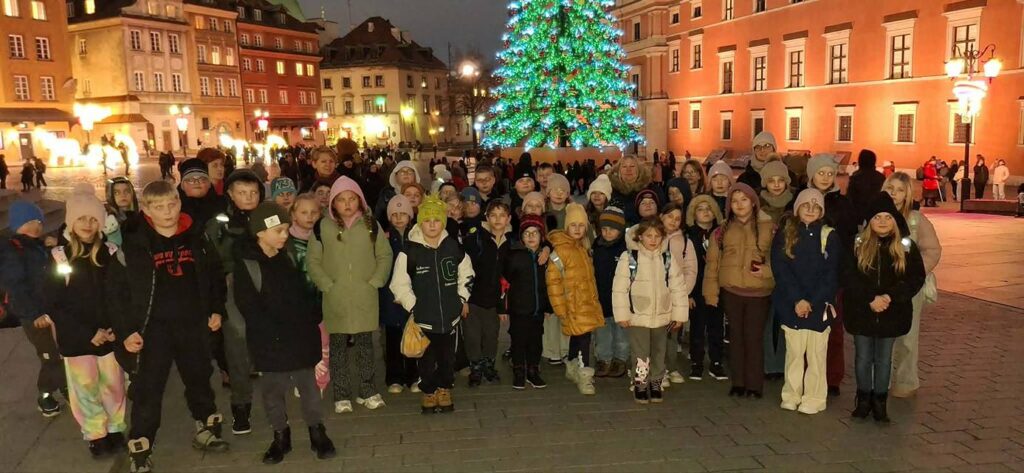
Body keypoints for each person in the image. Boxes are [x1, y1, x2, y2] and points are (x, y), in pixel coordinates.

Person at [108, 180, 228, 473]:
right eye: (159, 207)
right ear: (147, 210)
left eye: (172, 204)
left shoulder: (196, 236)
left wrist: (215, 308)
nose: (167, 212)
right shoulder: (133, 242)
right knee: (148, 387)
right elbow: (116, 293)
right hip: (152, 329)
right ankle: (141, 443)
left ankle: (206, 424)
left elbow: (214, 275)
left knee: (199, 377)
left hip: (192, 323)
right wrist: (126, 331)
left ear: (179, 203)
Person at [232, 202, 336, 464]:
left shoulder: (286, 256)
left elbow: (300, 294)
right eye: (278, 230)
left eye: (286, 229)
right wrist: (273, 332)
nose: (284, 235)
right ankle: (280, 435)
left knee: (309, 388)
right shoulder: (247, 264)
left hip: (299, 338)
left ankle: (317, 431)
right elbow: (248, 307)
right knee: (273, 392)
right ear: (260, 232)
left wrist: (312, 317)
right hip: (269, 342)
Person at [46, 193, 128, 456]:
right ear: (71, 222)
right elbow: (55, 302)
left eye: (93, 219)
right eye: (81, 218)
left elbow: (121, 293)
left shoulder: (110, 253)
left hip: (110, 335)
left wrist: (116, 327)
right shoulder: (60, 257)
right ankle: (95, 433)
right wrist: (88, 332)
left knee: (114, 384)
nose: (88, 224)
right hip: (78, 338)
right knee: (85, 387)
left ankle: (115, 427)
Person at [307, 176, 393, 414]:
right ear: (333, 203)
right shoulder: (322, 227)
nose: (347, 204)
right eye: (341, 199)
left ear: (360, 200)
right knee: (337, 348)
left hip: (365, 295)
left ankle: (368, 390)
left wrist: (376, 281)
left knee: (366, 345)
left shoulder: (371, 225)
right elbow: (313, 260)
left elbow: (384, 255)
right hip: (336, 297)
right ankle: (341, 394)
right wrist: (326, 284)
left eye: (352, 199)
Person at [845, 193, 925, 424]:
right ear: (869, 221)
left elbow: (914, 278)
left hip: (892, 312)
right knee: (863, 357)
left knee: (883, 359)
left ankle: (880, 401)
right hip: (862, 311)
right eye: (877, 217)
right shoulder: (857, 244)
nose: (882, 222)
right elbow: (849, 276)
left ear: (895, 221)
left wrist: (891, 296)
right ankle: (863, 399)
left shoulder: (906, 247)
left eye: (887, 217)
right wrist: (870, 298)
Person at [389, 195, 474, 414]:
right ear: (420, 223)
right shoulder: (409, 251)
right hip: (423, 317)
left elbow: (467, 274)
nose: (432, 225)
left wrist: (461, 299)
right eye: (427, 221)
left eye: (437, 220)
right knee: (426, 357)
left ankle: (444, 388)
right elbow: (399, 284)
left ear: (443, 222)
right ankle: (428, 389)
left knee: (447, 357)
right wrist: (413, 306)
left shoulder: (453, 247)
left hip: (450, 316)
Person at [770, 189, 841, 415]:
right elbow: (781, 269)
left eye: (816, 207)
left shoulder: (829, 236)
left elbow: (831, 274)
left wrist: (813, 301)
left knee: (816, 356)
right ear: (797, 208)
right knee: (794, 354)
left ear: (821, 211)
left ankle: (815, 397)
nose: (810, 210)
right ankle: (791, 394)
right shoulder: (785, 235)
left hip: (818, 306)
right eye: (805, 206)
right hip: (793, 305)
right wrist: (797, 299)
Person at [205, 169, 265, 435]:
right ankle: (241, 405)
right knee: (237, 344)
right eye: (242, 192)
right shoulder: (220, 223)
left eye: (253, 192)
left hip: (265, 285)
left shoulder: (269, 215)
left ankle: (276, 404)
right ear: (230, 193)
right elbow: (211, 259)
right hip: (233, 286)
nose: (249, 197)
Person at [703, 183, 775, 399]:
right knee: (735, 337)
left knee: (753, 338)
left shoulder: (769, 227)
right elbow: (713, 263)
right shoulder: (722, 230)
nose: (739, 204)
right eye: (734, 201)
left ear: (753, 202)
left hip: (758, 292)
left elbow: (780, 258)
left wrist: (768, 271)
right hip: (732, 291)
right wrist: (711, 292)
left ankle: (754, 385)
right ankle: (738, 382)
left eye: (744, 199)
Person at [0, 201, 66, 417]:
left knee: (61, 350)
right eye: (29, 222)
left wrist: (52, 247)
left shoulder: (37, 246)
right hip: (34, 316)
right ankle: (45, 394)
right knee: (50, 355)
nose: (36, 226)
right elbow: (16, 286)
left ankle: (65, 385)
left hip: (51, 310)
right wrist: (33, 313)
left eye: (39, 221)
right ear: (17, 225)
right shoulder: (13, 250)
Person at [613, 217, 688, 404]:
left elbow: (678, 287)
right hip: (637, 316)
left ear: (663, 237)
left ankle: (656, 382)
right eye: (648, 236)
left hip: (663, 315)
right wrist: (622, 315)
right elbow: (620, 288)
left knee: (659, 351)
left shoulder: (668, 258)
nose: (653, 240)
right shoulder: (629, 258)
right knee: (640, 352)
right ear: (640, 237)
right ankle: (640, 383)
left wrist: (679, 315)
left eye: (657, 236)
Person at [883, 173, 942, 399]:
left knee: (907, 336)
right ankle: (881, 379)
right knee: (882, 336)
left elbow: (932, 250)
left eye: (899, 190)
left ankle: (905, 381)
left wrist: (916, 273)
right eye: (890, 188)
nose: (894, 194)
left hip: (909, 288)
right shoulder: (876, 216)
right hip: (881, 287)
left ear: (907, 194)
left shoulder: (916, 220)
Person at [806, 153, 857, 397]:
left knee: (834, 328)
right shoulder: (802, 199)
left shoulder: (843, 204)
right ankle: (809, 373)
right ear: (812, 175)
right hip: (807, 275)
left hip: (835, 275)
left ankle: (832, 376)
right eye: (821, 173)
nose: (826, 178)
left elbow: (849, 240)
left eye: (830, 173)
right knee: (808, 328)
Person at [546, 203, 604, 395]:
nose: (578, 229)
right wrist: (560, 309)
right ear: (566, 227)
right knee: (583, 338)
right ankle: (584, 374)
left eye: (581, 225)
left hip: (586, 302)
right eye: (573, 225)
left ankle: (572, 366)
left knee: (579, 336)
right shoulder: (561, 251)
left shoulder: (583, 247)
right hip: (573, 305)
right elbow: (553, 282)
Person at [462, 200, 512, 387]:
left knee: (491, 335)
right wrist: (463, 298)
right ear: (487, 217)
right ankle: (475, 367)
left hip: (494, 299)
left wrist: (503, 306)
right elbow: (464, 268)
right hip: (473, 298)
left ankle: (489, 365)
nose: (498, 219)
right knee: (472, 335)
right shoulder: (476, 239)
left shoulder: (511, 242)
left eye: (502, 215)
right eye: (493, 215)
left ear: (508, 219)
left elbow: (507, 276)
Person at [286, 194, 329, 395]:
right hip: (296, 301)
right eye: (304, 212)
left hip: (321, 299)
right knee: (298, 342)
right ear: (293, 215)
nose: (309, 216)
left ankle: (320, 381)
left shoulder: (324, 237)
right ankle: (301, 380)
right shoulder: (285, 240)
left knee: (323, 342)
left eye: (314, 212)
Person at [503, 214, 550, 389]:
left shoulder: (544, 257)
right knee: (518, 341)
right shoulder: (514, 256)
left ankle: (533, 370)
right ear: (521, 237)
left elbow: (548, 284)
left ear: (541, 236)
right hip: (519, 308)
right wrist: (504, 307)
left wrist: (548, 306)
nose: (531, 236)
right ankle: (519, 370)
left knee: (535, 341)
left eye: (535, 233)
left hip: (538, 309)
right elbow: (504, 282)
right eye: (527, 233)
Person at [685, 195, 727, 381]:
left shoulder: (721, 233)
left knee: (716, 326)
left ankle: (716, 362)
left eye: (709, 208)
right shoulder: (689, 235)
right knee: (697, 326)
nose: (705, 212)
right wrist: (688, 293)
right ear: (693, 214)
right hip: (696, 287)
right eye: (700, 209)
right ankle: (697, 362)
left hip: (717, 285)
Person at [380, 195, 419, 394]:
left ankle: (414, 376)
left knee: (413, 335)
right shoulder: (384, 238)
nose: (398, 218)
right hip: (390, 297)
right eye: (394, 214)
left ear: (410, 216)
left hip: (412, 294)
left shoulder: (416, 236)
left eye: (403, 214)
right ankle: (394, 377)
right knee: (393, 339)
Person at [592, 207, 629, 378]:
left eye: (612, 229)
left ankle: (620, 359)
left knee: (621, 334)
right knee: (602, 332)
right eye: (604, 229)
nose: (607, 233)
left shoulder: (625, 248)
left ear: (620, 230)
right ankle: (603, 358)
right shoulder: (597, 246)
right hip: (601, 298)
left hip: (621, 300)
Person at [608, 155, 662, 225]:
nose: (628, 170)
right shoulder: (611, 190)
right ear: (618, 171)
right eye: (624, 166)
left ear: (639, 170)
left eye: (632, 166)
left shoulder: (652, 189)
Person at [177, 158, 225, 226]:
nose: (197, 182)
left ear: (209, 184)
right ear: (182, 186)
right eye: (190, 180)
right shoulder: (171, 210)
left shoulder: (223, 206)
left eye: (202, 179)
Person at [845, 150, 886, 223]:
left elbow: (849, 198)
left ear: (860, 161)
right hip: (876, 216)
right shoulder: (881, 178)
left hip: (857, 217)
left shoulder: (855, 177)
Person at [104, 177, 141, 247]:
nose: (123, 195)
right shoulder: (106, 219)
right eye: (116, 193)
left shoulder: (140, 218)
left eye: (127, 191)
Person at [758, 160, 794, 225]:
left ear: (786, 182)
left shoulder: (796, 203)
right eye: (771, 181)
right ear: (765, 183)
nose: (776, 185)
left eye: (781, 180)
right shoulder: (757, 204)